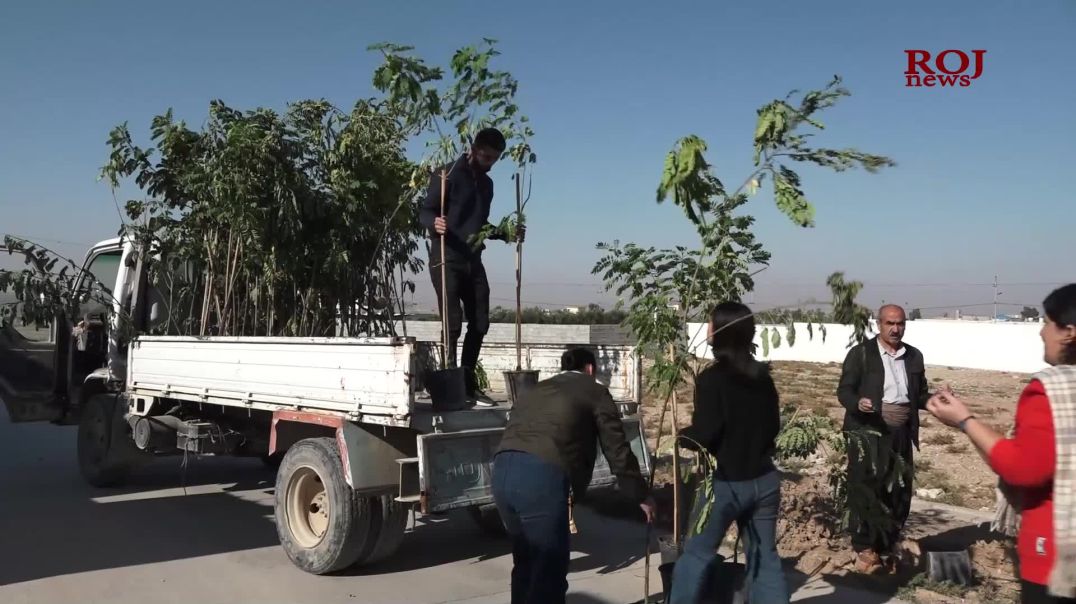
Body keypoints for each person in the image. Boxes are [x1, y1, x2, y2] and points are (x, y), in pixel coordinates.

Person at [926, 284, 1076, 604]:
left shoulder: (1050, 390)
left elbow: (1023, 469)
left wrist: (965, 421)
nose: (1041, 332)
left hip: (1059, 557)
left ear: (1069, 333)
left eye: (1048, 322)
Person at [492, 346, 656, 604]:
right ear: (590, 369)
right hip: (540, 478)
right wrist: (640, 493)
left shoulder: (536, 389)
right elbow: (617, 449)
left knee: (525, 564)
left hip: (501, 473)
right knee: (548, 573)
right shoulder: (594, 390)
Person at [670, 301, 790, 604]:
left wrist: (682, 437)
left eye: (711, 324)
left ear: (722, 331)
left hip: (726, 484)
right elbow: (773, 426)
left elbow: (708, 433)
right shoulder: (762, 377)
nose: (707, 330)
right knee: (764, 558)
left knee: (696, 554)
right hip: (764, 480)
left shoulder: (712, 379)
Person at [419, 127, 523, 406]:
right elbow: (425, 210)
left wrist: (506, 232)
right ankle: (451, 384)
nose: (490, 163)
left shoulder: (487, 185)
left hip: (473, 259)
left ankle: (467, 383)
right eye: (486, 156)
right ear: (474, 149)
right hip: (446, 257)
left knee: (480, 322)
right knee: (452, 323)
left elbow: (480, 226)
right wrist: (434, 223)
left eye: (495, 159)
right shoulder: (446, 174)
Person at [836, 303, 930, 573]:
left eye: (900, 323)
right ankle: (864, 547)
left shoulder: (913, 357)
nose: (895, 329)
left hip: (901, 432)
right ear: (878, 324)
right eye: (890, 323)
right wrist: (858, 403)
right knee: (867, 486)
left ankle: (887, 542)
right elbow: (844, 390)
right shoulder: (861, 354)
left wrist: (935, 400)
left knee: (898, 489)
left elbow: (919, 394)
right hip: (869, 432)